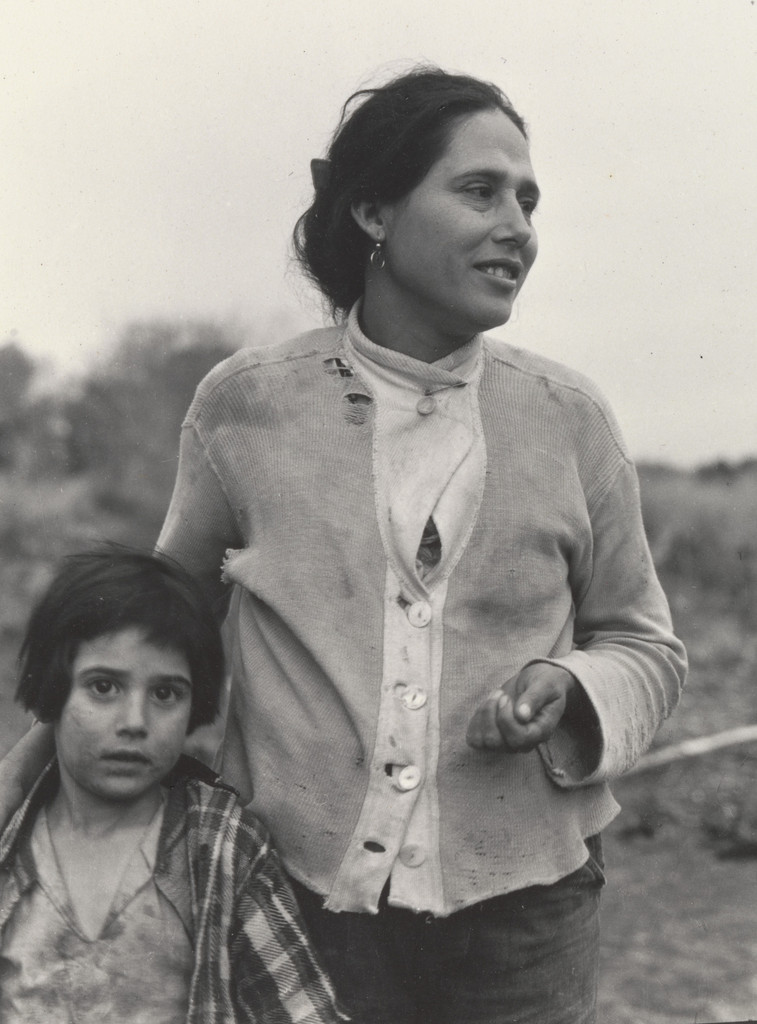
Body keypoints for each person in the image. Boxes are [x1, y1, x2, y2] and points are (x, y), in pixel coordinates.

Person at [1, 67, 687, 1023]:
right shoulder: (246, 405)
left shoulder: (569, 418)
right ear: (373, 210)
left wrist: (573, 687)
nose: (518, 227)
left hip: (527, 913)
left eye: (528, 200)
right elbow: (161, 620)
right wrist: (24, 776)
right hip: (293, 899)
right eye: (479, 190)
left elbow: (643, 644)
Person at [0, 549, 343, 1024]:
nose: (135, 722)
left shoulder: (221, 847)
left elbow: (303, 1012)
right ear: (53, 694)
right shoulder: (10, 842)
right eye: (103, 687)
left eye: (165, 694)